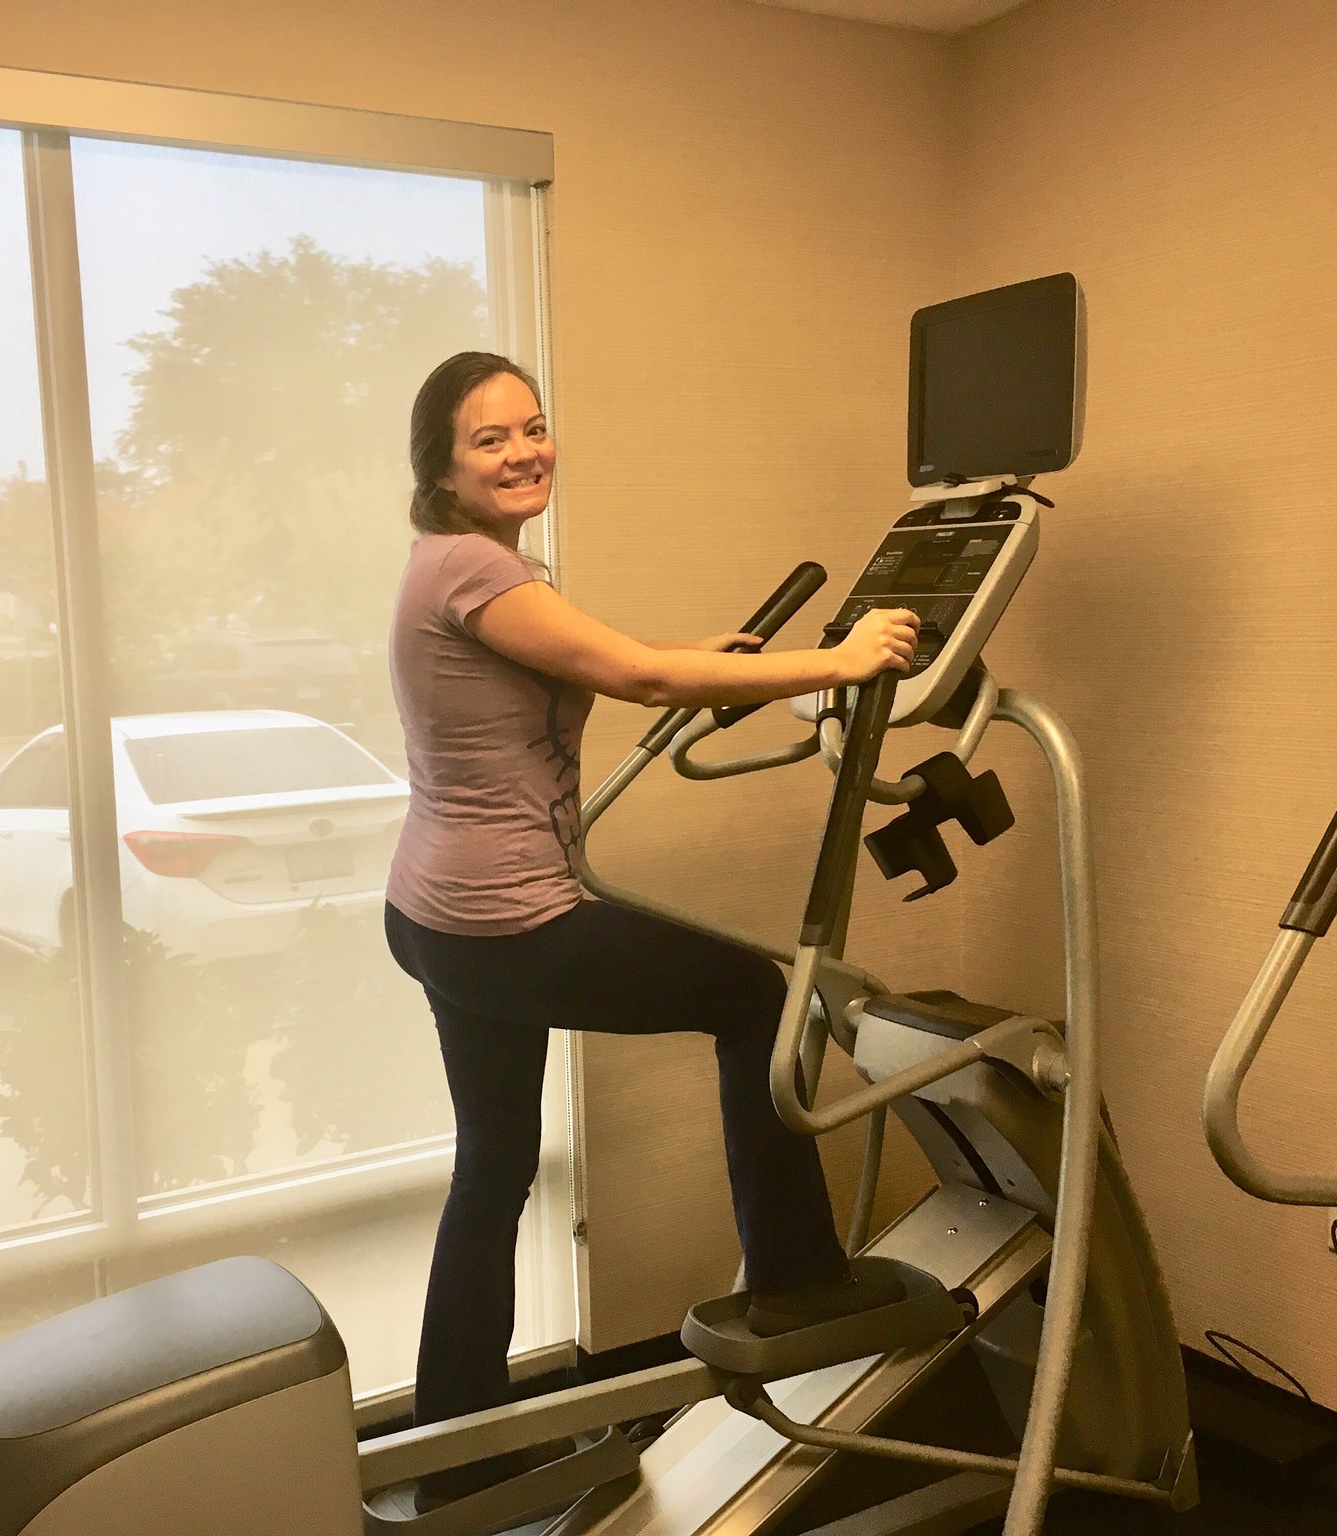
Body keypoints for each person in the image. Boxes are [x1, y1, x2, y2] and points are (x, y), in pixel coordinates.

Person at [382, 350, 921, 1506]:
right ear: (441, 466)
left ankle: (452, 1448)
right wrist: (840, 658)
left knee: (492, 1166)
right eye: (490, 440)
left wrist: (718, 665)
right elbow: (633, 678)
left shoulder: (459, 568)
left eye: (533, 427)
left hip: (432, 913)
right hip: (504, 921)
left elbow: (620, 661)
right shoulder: (473, 569)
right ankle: (793, 1277)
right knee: (755, 998)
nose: (524, 450)